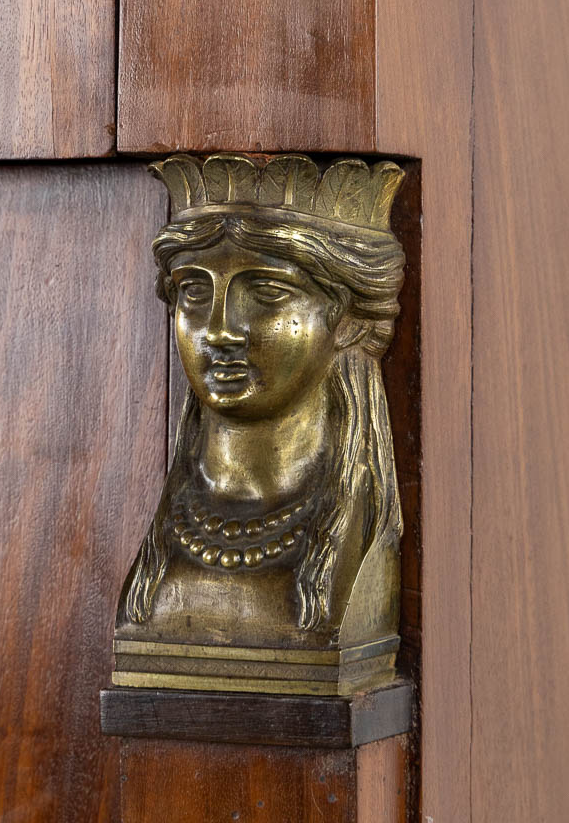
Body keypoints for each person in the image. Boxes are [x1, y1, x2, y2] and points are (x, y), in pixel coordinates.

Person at [116, 153, 405, 657]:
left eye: (268, 291)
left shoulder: (348, 537)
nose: (220, 329)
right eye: (194, 292)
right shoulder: (165, 549)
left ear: (351, 319)